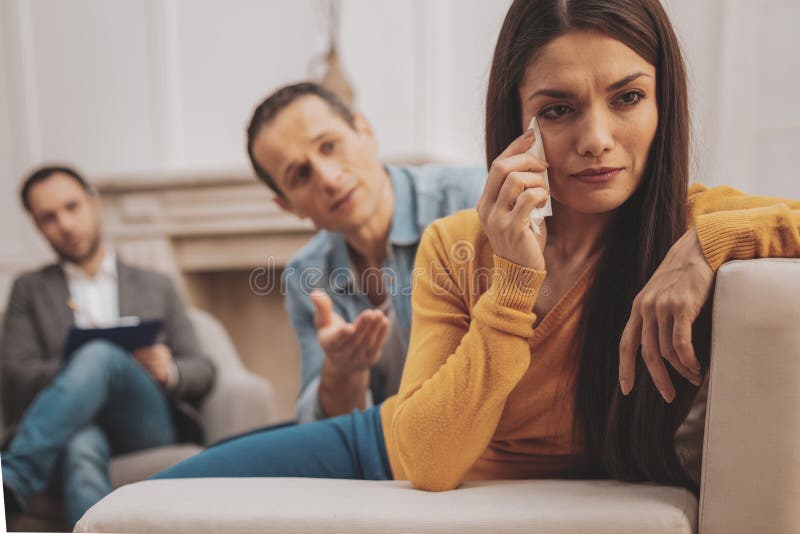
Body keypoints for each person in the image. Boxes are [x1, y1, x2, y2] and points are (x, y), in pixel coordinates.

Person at [152, 0, 799, 493]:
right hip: (383, 441)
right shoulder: (457, 241)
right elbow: (426, 460)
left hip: (439, 451)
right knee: (163, 500)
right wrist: (513, 282)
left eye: (627, 97)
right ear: (516, 121)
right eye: (557, 109)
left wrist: (710, 242)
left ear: (664, 102)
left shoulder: (694, 223)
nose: (597, 138)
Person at [246, 82, 485, 422]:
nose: (328, 179)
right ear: (288, 206)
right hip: (389, 452)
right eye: (300, 175)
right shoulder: (306, 276)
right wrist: (343, 371)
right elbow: (327, 429)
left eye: (329, 146)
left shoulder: (474, 199)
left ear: (365, 132)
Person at [1, 166, 216, 527]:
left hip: (144, 422)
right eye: (49, 218)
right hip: (69, 426)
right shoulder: (29, 290)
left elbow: (203, 367)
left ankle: (11, 482)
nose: (66, 224)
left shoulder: (155, 284)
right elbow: (15, 376)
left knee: (99, 354)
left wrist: (168, 371)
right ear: (38, 227)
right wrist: (81, 370)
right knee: (80, 445)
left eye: (72, 207)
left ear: (94, 204)